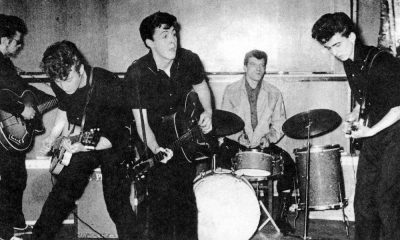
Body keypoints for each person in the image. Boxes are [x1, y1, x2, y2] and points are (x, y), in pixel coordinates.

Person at [31, 40, 138, 240]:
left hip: (113, 142)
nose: (63, 86)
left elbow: (118, 134)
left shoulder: (108, 84)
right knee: (62, 191)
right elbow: (63, 108)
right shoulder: (60, 80)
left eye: (67, 79)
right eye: (58, 82)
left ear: (78, 65)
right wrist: (53, 136)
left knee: (116, 203)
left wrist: (84, 145)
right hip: (85, 140)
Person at [125, 11, 213, 240]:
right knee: (159, 206)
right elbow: (141, 122)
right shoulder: (137, 73)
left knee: (185, 200)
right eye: (165, 36)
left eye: (174, 34)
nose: (173, 40)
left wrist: (209, 112)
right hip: (154, 141)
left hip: (184, 138)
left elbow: (202, 86)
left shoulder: (189, 59)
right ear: (149, 42)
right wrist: (155, 149)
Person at [312, 12, 400, 240]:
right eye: (329, 48)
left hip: (396, 134)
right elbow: (366, 98)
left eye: (337, 44)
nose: (335, 52)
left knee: (387, 200)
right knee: (363, 201)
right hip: (376, 135)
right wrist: (353, 116)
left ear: (351, 36)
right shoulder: (349, 62)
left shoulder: (383, 62)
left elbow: (398, 107)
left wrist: (370, 130)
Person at [220, 49, 296, 235]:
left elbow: (279, 123)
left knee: (289, 165)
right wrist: (239, 137)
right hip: (237, 142)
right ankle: (227, 214)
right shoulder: (231, 90)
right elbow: (224, 121)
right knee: (220, 162)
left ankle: (282, 217)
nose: (258, 69)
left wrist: (268, 138)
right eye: (254, 65)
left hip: (264, 144)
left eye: (262, 65)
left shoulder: (274, 92)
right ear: (245, 66)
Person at [0, 14, 36, 240]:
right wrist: (21, 110)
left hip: (7, 132)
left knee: (15, 176)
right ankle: (5, 232)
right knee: (9, 180)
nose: (19, 45)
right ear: (2, 39)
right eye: (16, 41)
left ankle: (15, 225)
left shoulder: (5, 63)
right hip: (4, 132)